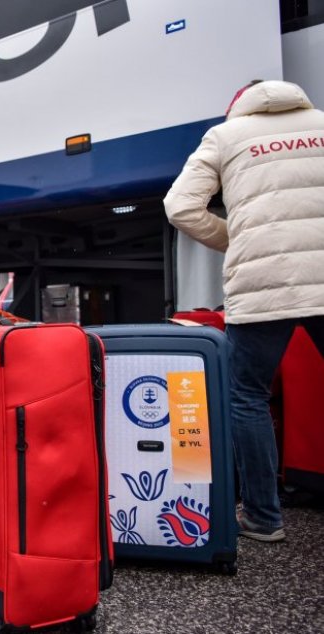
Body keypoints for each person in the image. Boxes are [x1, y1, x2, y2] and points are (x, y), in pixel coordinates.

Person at [164, 79, 324, 543]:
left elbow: (180, 207)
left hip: (263, 286)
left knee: (246, 396)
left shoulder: (225, 136)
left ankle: (263, 518)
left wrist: (239, 241)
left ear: (239, 105)